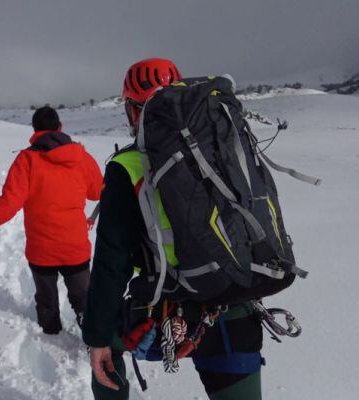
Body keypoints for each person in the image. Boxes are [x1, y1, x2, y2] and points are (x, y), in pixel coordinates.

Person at [82, 58, 264, 400]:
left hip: (166, 312)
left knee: (106, 347)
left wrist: (97, 336)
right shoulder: (222, 148)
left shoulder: (128, 167)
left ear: (134, 113)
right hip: (234, 306)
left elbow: (112, 263)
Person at [0, 106, 103, 334]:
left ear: (33, 130)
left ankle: (52, 336)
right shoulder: (81, 156)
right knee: (85, 300)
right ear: (60, 127)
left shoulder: (27, 159)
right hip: (76, 247)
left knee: (46, 300)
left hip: (41, 250)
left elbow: (8, 204)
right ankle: (93, 340)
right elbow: (97, 192)